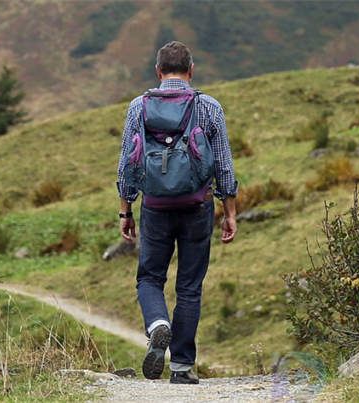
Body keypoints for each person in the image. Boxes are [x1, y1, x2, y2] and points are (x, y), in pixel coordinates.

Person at [116, 41, 238, 384]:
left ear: (158, 72)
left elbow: (127, 163)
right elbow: (224, 165)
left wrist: (126, 210)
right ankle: (182, 367)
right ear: (191, 69)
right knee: (189, 286)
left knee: (149, 277)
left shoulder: (138, 107)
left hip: (154, 207)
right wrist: (229, 211)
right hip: (197, 206)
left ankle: (158, 324)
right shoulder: (209, 107)